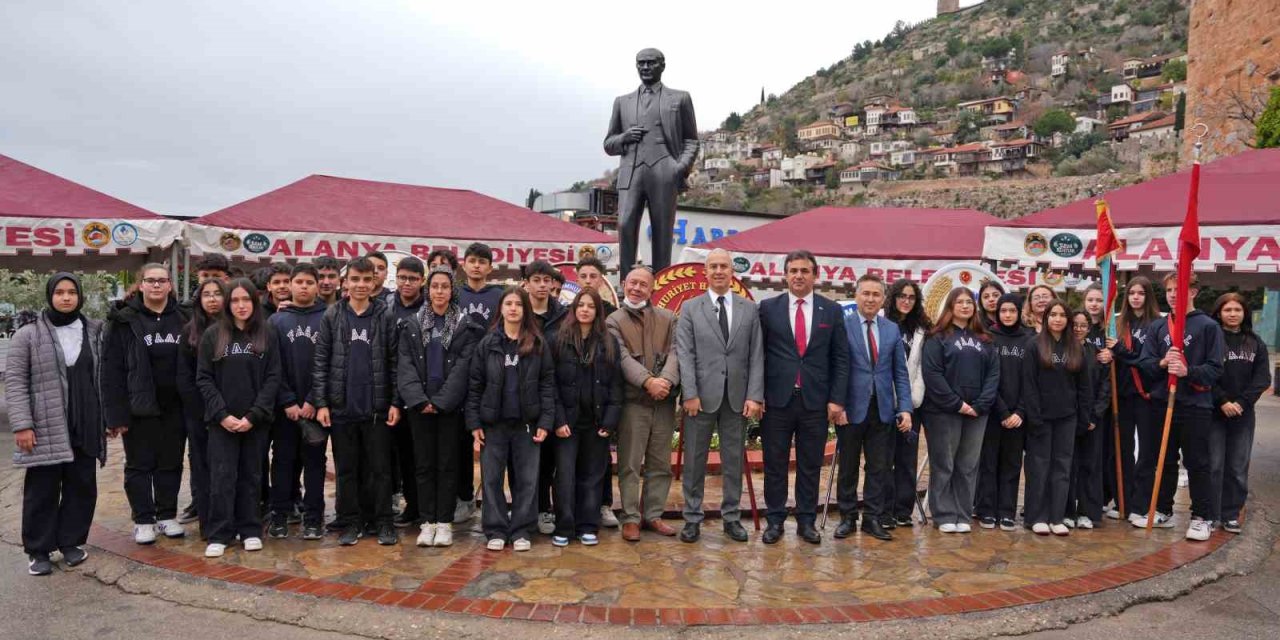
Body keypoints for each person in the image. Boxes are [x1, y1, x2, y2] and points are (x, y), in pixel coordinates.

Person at [6, 273, 106, 576]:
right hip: (46, 424)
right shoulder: (28, 335)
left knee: (82, 486)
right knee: (42, 489)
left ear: (80, 296)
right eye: (60, 292)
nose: (66, 297)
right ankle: (39, 549)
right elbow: (15, 382)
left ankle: (71, 542)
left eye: (72, 292)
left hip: (86, 423)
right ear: (49, 296)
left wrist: (109, 418)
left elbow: (105, 377)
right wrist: (23, 425)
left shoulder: (94, 331)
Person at [757, 250, 849, 545]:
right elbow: (757, 356)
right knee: (775, 463)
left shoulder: (831, 311)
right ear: (785, 274)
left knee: (810, 464)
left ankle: (806, 521)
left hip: (815, 402)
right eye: (793, 270)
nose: (798, 275)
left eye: (804, 271)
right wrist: (757, 396)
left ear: (815, 275)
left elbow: (841, 358)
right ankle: (775, 520)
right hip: (777, 400)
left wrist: (836, 399)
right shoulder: (768, 308)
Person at [675, 249, 764, 544]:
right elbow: (684, 355)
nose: (718, 271)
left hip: (736, 398)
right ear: (705, 271)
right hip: (700, 399)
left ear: (732, 272)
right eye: (713, 266)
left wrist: (754, 395)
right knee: (694, 461)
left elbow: (756, 355)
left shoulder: (749, 309)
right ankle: (692, 518)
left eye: (723, 266)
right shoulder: (690, 308)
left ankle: (731, 518)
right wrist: (689, 393)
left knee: (733, 460)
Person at [313, 256, 402, 546]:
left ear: (375, 281)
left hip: (376, 407)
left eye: (367, 279)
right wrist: (323, 403)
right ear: (345, 282)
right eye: (355, 279)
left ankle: (383, 522)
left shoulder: (384, 315)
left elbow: (394, 361)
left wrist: (394, 402)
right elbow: (321, 361)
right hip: (342, 408)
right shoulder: (333, 315)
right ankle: (352, 521)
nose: (361, 285)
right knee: (347, 470)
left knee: (380, 469)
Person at [103, 263, 192, 544]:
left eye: (161, 281)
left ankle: (166, 515)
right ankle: (143, 519)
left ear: (169, 285)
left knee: (171, 463)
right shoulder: (124, 320)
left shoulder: (183, 318)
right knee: (139, 465)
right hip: (137, 406)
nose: (156, 285)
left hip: (174, 406)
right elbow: (111, 369)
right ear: (140, 285)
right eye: (150, 281)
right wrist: (114, 415)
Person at [398, 266, 483, 547]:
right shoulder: (412, 324)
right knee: (422, 466)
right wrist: (420, 401)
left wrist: (442, 402)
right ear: (427, 289)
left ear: (452, 291)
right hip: (419, 408)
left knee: (447, 466)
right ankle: (427, 521)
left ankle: (444, 522)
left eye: (445, 287)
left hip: (449, 409)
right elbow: (406, 366)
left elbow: (463, 367)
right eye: (434, 286)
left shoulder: (464, 325)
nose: (439, 292)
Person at [196, 279, 282, 557]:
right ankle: (220, 532)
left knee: (251, 476)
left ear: (255, 303)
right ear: (227, 304)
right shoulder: (213, 335)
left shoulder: (266, 333)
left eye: (246, 300)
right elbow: (204, 379)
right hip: (222, 423)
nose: (241, 305)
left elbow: (273, 377)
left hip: (255, 422)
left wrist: (253, 415)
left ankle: (250, 529)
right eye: (235, 300)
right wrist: (222, 415)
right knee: (222, 477)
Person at [1135, 272, 1224, 541]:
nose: (1174, 294)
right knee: (1165, 459)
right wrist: (1162, 364)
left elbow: (1215, 369)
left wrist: (1188, 371)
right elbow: (1145, 363)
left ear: (1194, 292)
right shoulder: (1159, 327)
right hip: (1163, 402)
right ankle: (1163, 509)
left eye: (1180, 288)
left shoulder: (1208, 326)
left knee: (1197, 461)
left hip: (1195, 404)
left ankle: (1201, 516)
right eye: (1170, 289)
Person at [467, 287, 555, 551]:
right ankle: (495, 529)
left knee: (527, 480)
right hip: (493, 424)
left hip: (527, 424)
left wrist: (545, 421)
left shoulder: (537, 344)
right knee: (492, 479)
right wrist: (474, 424)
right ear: (501, 309)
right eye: (509, 303)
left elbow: (547, 385)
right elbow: (475, 385)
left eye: (518, 303)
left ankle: (521, 530)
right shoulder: (487, 343)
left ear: (525, 310)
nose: (514, 308)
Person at [603, 47, 699, 272]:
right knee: (625, 224)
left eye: (650, 63)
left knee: (662, 230)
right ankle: (628, 282)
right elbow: (609, 144)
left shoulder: (680, 98)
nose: (645, 68)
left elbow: (692, 140)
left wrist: (680, 168)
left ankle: (662, 282)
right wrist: (625, 137)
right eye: (641, 63)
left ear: (662, 66)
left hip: (665, 168)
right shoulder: (622, 102)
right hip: (632, 170)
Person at [834, 274, 912, 542]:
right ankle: (847, 517)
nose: (870, 299)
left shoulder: (891, 329)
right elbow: (836, 370)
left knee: (879, 467)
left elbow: (900, 373)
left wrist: (905, 408)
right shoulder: (842, 326)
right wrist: (837, 405)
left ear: (883, 299)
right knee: (848, 466)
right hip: (850, 409)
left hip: (883, 409)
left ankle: (872, 518)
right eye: (865, 293)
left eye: (875, 294)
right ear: (856, 296)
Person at [606, 266, 681, 542]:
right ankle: (630, 518)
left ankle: (653, 514)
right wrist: (649, 382)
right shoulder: (613, 321)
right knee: (630, 463)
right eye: (633, 283)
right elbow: (621, 357)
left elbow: (676, 352)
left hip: (663, 402)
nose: (637, 288)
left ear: (652, 289)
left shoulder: (668, 318)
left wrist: (666, 381)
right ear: (624, 283)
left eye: (643, 285)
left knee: (660, 463)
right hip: (633, 402)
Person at [921, 287, 999, 534]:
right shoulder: (937, 337)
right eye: (960, 302)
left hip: (978, 413)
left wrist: (979, 405)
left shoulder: (985, 339)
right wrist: (957, 404)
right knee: (944, 464)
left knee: (968, 465)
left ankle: (963, 513)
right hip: (944, 412)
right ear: (950, 306)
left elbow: (993, 375)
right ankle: (944, 514)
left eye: (969, 302)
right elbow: (932, 374)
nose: (965, 306)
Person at [550, 288, 624, 546]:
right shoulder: (559, 339)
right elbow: (551, 385)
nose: (585, 310)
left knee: (592, 476)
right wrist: (558, 420)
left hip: (597, 423)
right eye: (580, 305)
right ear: (574, 308)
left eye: (590, 306)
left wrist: (610, 421)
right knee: (565, 476)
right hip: (566, 424)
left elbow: (616, 386)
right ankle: (564, 526)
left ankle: (587, 525)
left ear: (598, 311)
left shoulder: (608, 342)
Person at [265, 263, 328, 540]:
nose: (303, 286)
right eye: (298, 281)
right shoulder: (276, 321)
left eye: (309, 282)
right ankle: (280, 513)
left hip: (316, 406)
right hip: (285, 409)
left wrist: (314, 399)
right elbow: (271, 365)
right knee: (282, 461)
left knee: (315, 463)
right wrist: (288, 400)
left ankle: (313, 517)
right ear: (290, 285)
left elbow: (329, 363)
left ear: (318, 286)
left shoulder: (328, 317)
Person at [1021, 301, 1091, 536]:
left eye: (1062, 315)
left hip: (1067, 418)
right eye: (1053, 314)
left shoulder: (1076, 348)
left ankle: (1057, 516)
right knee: (1039, 466)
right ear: (1046, 318)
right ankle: (1036, 516)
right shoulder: (1033, 346)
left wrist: (1082, 417)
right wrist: (1034, 417)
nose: (1058, 319)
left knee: (1062, 467)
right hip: (1040, 418)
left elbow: (1084, 387)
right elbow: (1028, 385)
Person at [1211, 293, 1271, 534]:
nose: (1233, 314)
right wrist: (1223, 400)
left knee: (1237, 467)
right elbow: (1205, 374)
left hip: (1243, 416)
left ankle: (1231, 514)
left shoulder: (1256, 343)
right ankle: (1211, 514)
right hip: (1215, 413)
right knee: (1214, 465)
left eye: (1237, 309)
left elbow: (1262, 379)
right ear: (1219, 313)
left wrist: (1241, 403)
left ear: (1244, 313)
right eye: (1228, 310)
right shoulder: (1212, 340)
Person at [178, 255, 231, 525]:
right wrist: (202, 409)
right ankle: (204, 508)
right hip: (200, 412)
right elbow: (186, 377)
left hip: (233, 410)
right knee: (200, 461)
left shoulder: (240, 326)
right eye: (205, 292)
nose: (211, 297)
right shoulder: (189, 328)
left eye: (217, 291)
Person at [455, 243, 503, 523]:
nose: (476, 266)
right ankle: (463, 497)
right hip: (459, 376)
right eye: (472, 261)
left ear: (490, 267)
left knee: (491, 443)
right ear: (464, 264)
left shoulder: (500, 296)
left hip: (492, 375)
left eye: (482, 262)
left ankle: (492, 500)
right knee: (460, 442)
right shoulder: (454, 294)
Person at [1106, 276, 1160, 521]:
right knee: (1122, 450)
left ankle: (1141, 503)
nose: (1136, 297)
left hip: (1146, 395)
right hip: (1122, 396)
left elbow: (1149, 364)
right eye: (1131, 293)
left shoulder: (1157, 325)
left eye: (1141, 293)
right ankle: (1123, 500)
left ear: (1148, 297)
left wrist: (1120, 351)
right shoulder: (1117, 324)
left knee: (1146, 452)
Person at [975, 293, 1031, 531]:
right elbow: (986, 378)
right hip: (993, 412)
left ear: (1019, 312)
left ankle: (1006, 511)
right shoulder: (988, 338)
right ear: (997, 312)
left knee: (1011, 463)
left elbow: (1033, 380)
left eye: (1012, 311)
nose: (1008, 315)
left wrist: (1019, 411)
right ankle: (987, 509)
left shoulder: (1030, 339)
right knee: (988, 462)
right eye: (1003, 311)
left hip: (1019, 414)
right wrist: (1003, 411)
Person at [524, 260, 569, 534]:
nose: (542, 285)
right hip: (524, 395)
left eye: (546, 280)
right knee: (527, 461)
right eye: (536, 280)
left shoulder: (563, 315)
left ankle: (545, 510)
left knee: (551, 458)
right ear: (526, 283)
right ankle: (527, 509)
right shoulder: (517, 311)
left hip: (555, 395)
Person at [577, 254, 620, 528]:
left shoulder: (611, 312)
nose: (589, 281)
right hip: (575, 399)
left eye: (594, 276)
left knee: (601, 458)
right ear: (577, 278)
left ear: (602, 279)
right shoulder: (570, 310)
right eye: (584, 276)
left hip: (602, 396)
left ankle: (603, 505)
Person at [884, 278, 931, 527]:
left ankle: (902, 510)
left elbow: (924, 367)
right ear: (893, 298)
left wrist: (912, 401)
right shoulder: (883, 324)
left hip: (913, 402)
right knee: (884, 457)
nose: (906, 301)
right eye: (902, 296)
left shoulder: (922, 329)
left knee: (906, 457)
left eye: (911, 297)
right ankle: (884, 508)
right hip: (883, 402)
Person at [389, 256, 427, 528]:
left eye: (413, 278)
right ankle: (408, 506)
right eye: (402, 277)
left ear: (422, 281)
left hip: (422, 393)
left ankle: (421, 506)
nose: (407, 283)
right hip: (393, 391)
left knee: (421, 456)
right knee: (400, 455)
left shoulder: (432, 307)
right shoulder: (386, 306)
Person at [1065, 309, 1111, 530]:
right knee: (1067, 466)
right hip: (1066, 419)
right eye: (1075, 324)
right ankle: (1066, 510)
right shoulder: (1061, 351)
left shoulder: (1097, 354)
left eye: (1083, 325)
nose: (1079, 329)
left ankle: (1087, 511)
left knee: (1090, 465)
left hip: (1092, 419)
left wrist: (1095, 415)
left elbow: (1105, 386)